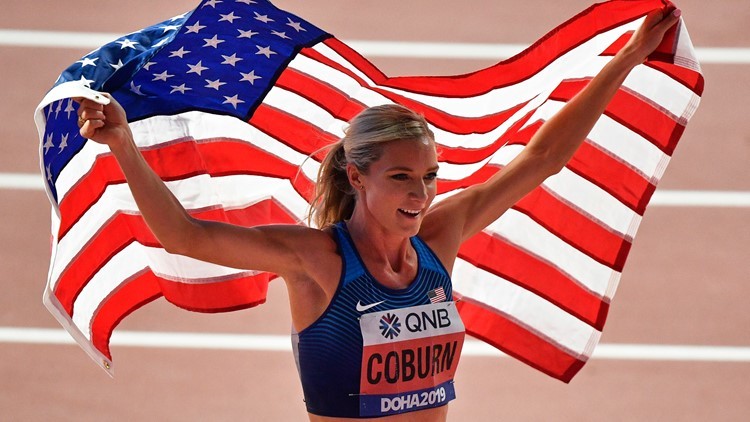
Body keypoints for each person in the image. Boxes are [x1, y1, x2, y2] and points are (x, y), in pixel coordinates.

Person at [76, 7, 681, 421]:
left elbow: (542, 158)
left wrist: (627, 58)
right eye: (401, 177)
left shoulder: (440, 238)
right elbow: (184, 236)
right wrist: (124, 146)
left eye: (429, 176)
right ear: (356, 176)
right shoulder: (315, 259)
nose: (421, 194)